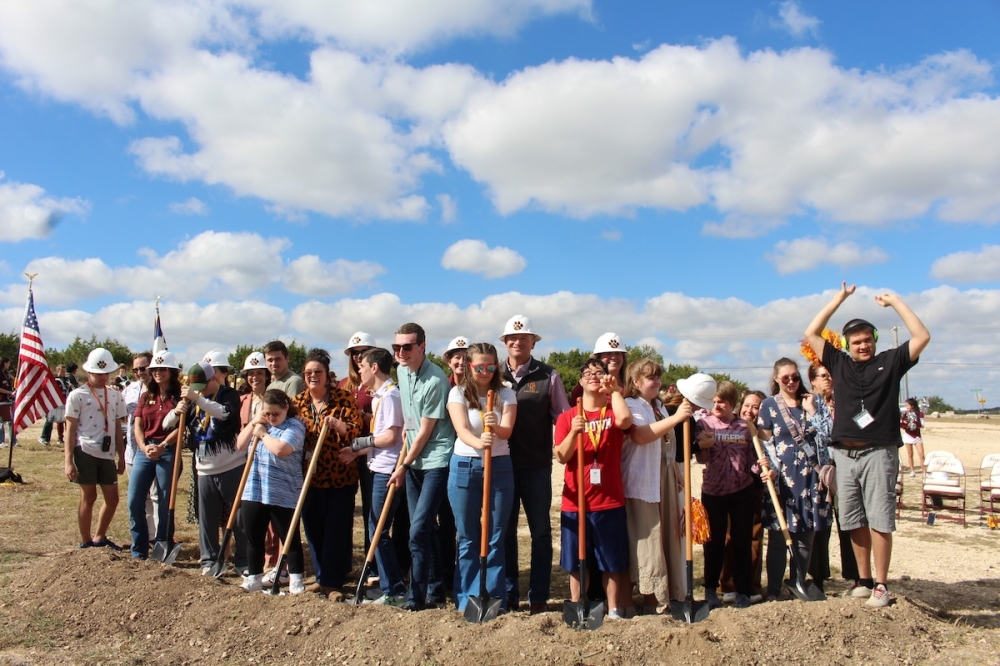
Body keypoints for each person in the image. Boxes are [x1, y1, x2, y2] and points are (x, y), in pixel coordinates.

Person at [805, 282, 931, 607]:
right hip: (844, 454)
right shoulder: (838, 362)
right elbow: (812, 332)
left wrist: (896, 302)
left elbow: (922, 337)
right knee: (853, 520)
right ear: (847, 344)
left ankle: (881, 584)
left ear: (874, 341)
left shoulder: (891, 361)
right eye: (856, 342)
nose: (862, 346)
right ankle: (862, 580)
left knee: (879, 518)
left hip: (879, 451)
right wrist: (837, 299)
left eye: (867, 341)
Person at [499, 314, 570, 614]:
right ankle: (510, 594)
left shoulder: (548, 375)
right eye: (512, 338)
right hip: (501, 464)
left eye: (524, 338)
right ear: (505, 342)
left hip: (537, 466)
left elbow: (563, 416)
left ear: (533, 342)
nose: (518, 342)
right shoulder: (493, 373)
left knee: (540, 531)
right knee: (505, 531)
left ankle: (538, 596)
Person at [554, 358, 632, 619]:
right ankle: (578, 604)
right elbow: (562, 456)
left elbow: (625, 420)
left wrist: (613, 391)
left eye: (598, 372)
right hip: (575, 501)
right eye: (587, 373)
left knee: (611, 560)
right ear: (580, 380)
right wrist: (573, 434)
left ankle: (612, 608)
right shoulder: (568, 417)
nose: (593, 376)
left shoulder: (611, 410)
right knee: (576, 562)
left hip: (609, 499)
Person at [387, 323, 456, 611]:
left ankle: (416, 596)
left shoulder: (437, 380)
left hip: (435, 460)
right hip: (413, 457)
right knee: (424, 530)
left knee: (418, 529)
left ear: (422, 347)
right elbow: (412, 416)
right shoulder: (402, 371)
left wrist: (402, 465)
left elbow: (427, 432)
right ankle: (436, 591)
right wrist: (406, 429)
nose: (401, 352)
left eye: (407, 347)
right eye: (396, 347)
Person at [446, 342, 517, 613]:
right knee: (467, 537)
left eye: (490, 366)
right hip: (465, 466)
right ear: (469, 366)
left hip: (499, 467)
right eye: (479, 367)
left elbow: (508, 431)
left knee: (495, 537)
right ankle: (467, 599)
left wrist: (495, 425)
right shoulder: (457, 394)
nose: (485, 371)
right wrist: (478, 442)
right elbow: (462, 429)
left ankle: (494, 600)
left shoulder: (506, 395)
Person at [757, 358, 833, 602]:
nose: (791, 382)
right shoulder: (769, 405)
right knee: (779, 536)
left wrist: (813, 412)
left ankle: (798, 583)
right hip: (783, 478)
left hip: (812, 477)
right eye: (785, 378)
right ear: (777, 379)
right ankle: (774, 589)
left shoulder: (814, 401)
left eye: (795, 377)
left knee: (806, 537)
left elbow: (829, 434)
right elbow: (764, 442)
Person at [620, 359, 692, 615]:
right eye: (651, 378)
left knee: (667, 536)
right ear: (636, 382)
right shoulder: (631, 405)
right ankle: (652, 601)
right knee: (648, 538)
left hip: (664, 477)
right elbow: (641, 436)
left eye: (659, 377)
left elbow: (664, 444)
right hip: (642, 479)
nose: (657, 382)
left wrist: (674, 467)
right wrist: (677, 419)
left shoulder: (659, 406)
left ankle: (669, 595)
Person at [291, 348, 362, 600]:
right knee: (313, 529)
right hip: (308, 477)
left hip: (340, 476)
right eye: (309, 372)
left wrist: (340, 426)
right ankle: (322, 577)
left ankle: (332, 583)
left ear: (326, 374)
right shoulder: (297, 403)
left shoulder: (344, 399)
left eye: (318, 372)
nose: (313, 376)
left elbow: (356, 431)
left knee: (336, 529)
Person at [338, 347, 407, 606]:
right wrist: (356, 453)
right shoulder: (379, 396)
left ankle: (395, 590)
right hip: (379, 466)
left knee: (378, 530)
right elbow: (382, 441)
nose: (359, 370)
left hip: (387, 471)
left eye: (363, 366)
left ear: (375, 367)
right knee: (376, 528)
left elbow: (390, 437)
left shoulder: (389, 396)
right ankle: (390, 586)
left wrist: (358, 443)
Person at [171, 361, 246, 576]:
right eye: (197, 387)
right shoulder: (194, 397)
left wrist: (199, 400)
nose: (200, 390)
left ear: (213, 378)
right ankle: (209, 561)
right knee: (207, 519)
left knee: (238, 517)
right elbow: (169, 424)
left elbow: (224, 413)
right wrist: (177, 412)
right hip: (204, 467)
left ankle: (243, 562)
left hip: (231, 465)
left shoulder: (229, 394)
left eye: (204, 385)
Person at [236, 389, 307, 594]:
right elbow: (240, 445)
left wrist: (263, 433)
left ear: (286, 408)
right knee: (254, 537)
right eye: (267, 413)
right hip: (255, 489)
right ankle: (255, 577)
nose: (271, 418)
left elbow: (281, 450)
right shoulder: (260, 424)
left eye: (275, 413)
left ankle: (295, 580)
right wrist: (254, 423)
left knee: (289, 537)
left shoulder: (294, 426)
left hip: (283, 490)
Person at [695, 380, 758, 609]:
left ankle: (743, 590)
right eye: (714, 401)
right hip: (713, 491)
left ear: (732, 403)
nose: (717, 405)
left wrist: (761, 466)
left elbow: (752, 459)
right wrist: (703, 446)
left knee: (741, 541)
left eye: (722, 402)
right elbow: (701, 459)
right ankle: (710, 589)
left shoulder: (745, 426)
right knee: (714, 543)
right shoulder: (704, 424)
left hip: (742, 489)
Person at [64, 348, 127, 550]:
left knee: (113, 498)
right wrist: (68, 461)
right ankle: (85, 540)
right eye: (98, 373)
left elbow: (118, 427)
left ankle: (100, 537)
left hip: (107, 453)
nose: (103, 377)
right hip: (85, 450)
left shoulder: (115, 396)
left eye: (106, 373)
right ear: (89, 372)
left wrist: (122, 455)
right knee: (89, 496)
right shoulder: (77, 395)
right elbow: (70, 429)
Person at [128, 350, 181, 559]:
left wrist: (163, 445)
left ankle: (163, 545)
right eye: (155, 369)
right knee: (134, 500)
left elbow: (182, 428)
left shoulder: (180, 397)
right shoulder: (145, 396)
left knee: (166, 501)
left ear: (171, 371)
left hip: (168, 451)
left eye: (162, 369)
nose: (158, 372)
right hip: (145, 451)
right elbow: (137, 425)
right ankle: (139, 548)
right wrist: (143, 447)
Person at [720, 390, 766, 604]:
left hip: (755, 486)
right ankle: (728, 583)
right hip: (731, 486)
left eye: (756, 407)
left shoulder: (764, 431)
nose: (750, 410)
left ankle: (751, 585)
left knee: (754, 535)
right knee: (730, 535)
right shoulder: (732, 426)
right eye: (747, 405)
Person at [340, 332, 378, 588]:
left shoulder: (377, 384)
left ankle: (371, 564)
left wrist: (364, 419)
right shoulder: (343, 384)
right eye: (354, 352)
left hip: (369, 453)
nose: (358, 356)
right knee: (342, 510)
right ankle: (342, 564)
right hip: (344, 454)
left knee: (370, 511)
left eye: (363, 352)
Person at [570, 332, 627, 403]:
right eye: (608, 353)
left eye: (618, 353)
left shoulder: (632, 384)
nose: (613, 357)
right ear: (598, 358)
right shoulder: (584, 387)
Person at [40, 364, 72, 446]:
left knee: (64, 420)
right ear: (57, 371)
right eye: (62, 371)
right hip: (54, 403)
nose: (63, 373)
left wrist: (70, 387)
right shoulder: (55, 380)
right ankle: (44, 438)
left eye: (64, 371)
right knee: (50, 420)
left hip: (65, 403)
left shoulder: (67, 380)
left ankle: (61, 438)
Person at [900, 398, 926, 477]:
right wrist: (905, 424)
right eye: (906, 405)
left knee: (921, 454)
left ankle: (924, 471)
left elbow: (922, 425)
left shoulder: (919, 414)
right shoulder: (905, 414)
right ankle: (912, 471)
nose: (906, 407)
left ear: (912, 405)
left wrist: (915, 423)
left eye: (907, 405)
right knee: (910, 454)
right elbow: (901, 423)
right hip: (908, 435)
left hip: (917, 436)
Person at [0, 357, 17, 447]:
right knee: (0, 422)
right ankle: (1, 441)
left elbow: (15, 380)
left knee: (11, 421)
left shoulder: (6, 373)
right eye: (8, 363)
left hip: (8, 400)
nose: (9, 365)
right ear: (4, 363)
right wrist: (10, 392)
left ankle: (13, 441)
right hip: (1, 400)